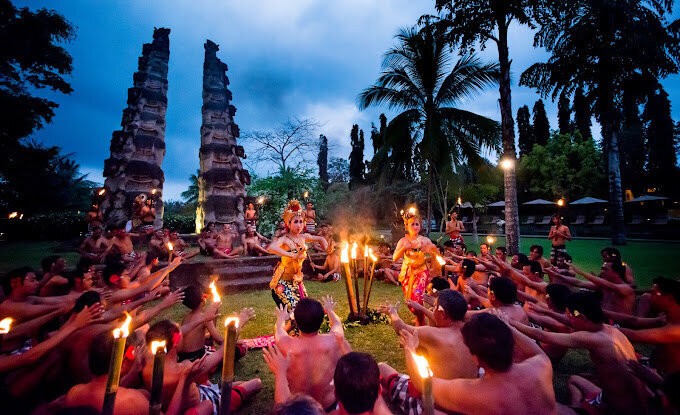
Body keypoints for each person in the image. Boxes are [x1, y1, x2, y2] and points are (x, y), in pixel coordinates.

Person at [510, 292, 647, 415]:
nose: (568, 319)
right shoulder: (611, 330)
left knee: (548, 408)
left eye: (570, 316)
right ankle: (576, 408)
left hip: (621, 410)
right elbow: (571, 321)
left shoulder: (593, 339)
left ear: (581, 317)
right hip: (636, 401)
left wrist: (510, 324)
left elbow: (542, 335)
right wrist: (546, 312)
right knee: (574, 380)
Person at [400, 313, 557, 414]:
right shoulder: (541, 366)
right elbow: (536, 350)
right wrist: (507, 326)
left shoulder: (473, 393)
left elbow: (423, 383)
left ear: (475, 358)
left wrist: (409, 348)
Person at [141, 320, 261, 414]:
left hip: (200, 391)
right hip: (204, 401)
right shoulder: (183, 370)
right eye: (181, 335)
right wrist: (237, 326)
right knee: (256, 383)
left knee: (235, 384)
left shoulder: (146, 362)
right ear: (176, 342)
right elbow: (221, 352)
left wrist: (203, 318)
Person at [62, 331, 187, 415]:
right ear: (121, 362)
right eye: (130, 356)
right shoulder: (132, 400)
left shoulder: (73, 393)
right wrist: (183, 379)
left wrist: (134, 370)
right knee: (205, 407)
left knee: (144, 393)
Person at [272, 296, 350, 411]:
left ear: (296, 322)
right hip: (329, 406)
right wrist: (330, 310)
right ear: (321, 320)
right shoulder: (334, 340)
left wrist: (281, 318)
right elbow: (337, 324)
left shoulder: (285, 344)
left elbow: (279, 330)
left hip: (300, 410)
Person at [267, 200, 328, 310]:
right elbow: (272, 248)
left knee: (306, 310)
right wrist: (290, 255)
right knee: (296, 311)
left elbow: (320, 238)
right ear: (288, 224)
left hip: (297, 281)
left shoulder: (304, 237)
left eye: (301, 221)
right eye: (295, 222)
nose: (299, 225)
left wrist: (327, 248)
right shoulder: (284, 239)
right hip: (282, 282)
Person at [619, 277, 680, 375]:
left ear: (669, 298)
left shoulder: (676, 329)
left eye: (654, 293)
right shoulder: (666, 316)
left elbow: (635, 335)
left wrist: (603, 327)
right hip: (652, 365)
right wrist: (602, 313)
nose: (650, 296)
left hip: (665, 381)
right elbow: (635, 320)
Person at [177, 285, 254, 363]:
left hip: (182, 357)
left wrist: (215, 311)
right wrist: (238, 342)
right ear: (203, 300)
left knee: (207, 338)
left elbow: (210, 335)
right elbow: (220, 341)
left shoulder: (186, 317)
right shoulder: (203, 317)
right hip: (196, 358)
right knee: (240, 348)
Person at [393, 206, 439, 325]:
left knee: (417, 297)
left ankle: (421, 322)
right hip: (407, 273)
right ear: (407, 226)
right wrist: (404, 248)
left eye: (417, 224)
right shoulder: (403, 241)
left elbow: (436, 256)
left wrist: (432, 249)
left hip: (421, 272)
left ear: (420, 226)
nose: (415, 227)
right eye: (412, 224)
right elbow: (394, 258)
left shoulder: (425, 240)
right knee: (409, 302)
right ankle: (419, 315)